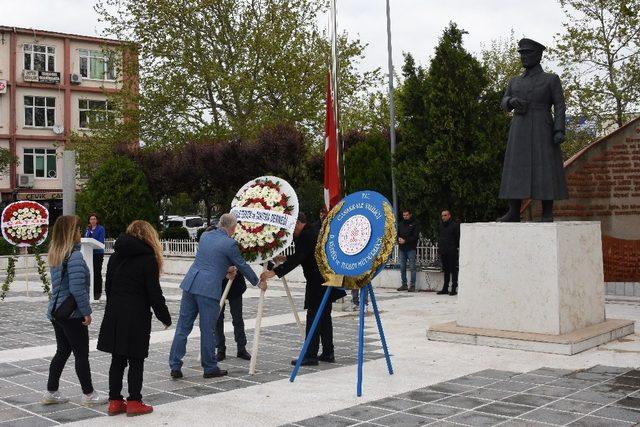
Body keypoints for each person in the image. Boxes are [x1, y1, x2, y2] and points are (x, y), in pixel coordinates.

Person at [168, 213, 267, 379]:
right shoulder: (230, 244)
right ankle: (209, 367)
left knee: (182, 328)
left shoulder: (205, 236)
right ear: (232, 228)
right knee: (208, 330)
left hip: (191, 283)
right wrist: (258, 283)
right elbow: (242, 266)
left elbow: (210, 259)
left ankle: (175, 366)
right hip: (208, 289)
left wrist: (225, 270)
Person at [97, 220, 172, 417]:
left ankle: (114, 401)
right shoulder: (148, 258)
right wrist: (164, 317)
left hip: (115, 312)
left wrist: (114, 305)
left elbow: (109, 285)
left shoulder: (115, 256)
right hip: (137, 314)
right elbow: (153, 292)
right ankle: (134, 401)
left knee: (118, 358)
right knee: (136, 359)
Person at [498, 38, 568, 223]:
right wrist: (511, 102)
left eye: (527, 53)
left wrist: (559, 129)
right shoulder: (514, 81)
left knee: (545, 167)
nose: (524, 57)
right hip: (519, 127)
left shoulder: (550, 79)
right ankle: (514, 211)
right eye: (521, 53)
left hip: (542, 126)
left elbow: (560, 105)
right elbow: (504, 101)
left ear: (538, 56)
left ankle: (547, 211)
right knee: (516, 168)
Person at [262, 212, 346, 366]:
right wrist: (282, 260)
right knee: (324, 318)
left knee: (313, 317)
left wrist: (275, 271)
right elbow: (302, 255)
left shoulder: (307, 235)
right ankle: (328, 352)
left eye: (292, 227)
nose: (291, 232)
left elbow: (299, 257)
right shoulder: (311, 231)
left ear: (299, 223)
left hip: (318, 282)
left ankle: (310, 355)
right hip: (326, 279)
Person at [42, 215, 107, 407]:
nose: (81, 232)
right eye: (78, 229)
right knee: (81, 354)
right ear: (71, 233)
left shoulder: (56, 254)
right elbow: (77, 289)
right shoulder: (75, 256)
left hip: (57, 311)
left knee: (62, 351)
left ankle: (51, 391)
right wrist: (86, 312)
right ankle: (88, 394)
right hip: (71, 314)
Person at [216, 274, 251, 361]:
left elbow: (245, 262)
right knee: (218, 319)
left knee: (238, 318)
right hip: (218, 285)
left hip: (236, 285)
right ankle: (220, 349)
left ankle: (241, 348)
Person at [437, 210, 460, 296]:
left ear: (449, 216)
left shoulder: (454, 225)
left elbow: (457, 238)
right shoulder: (440, 225)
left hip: (452, 251)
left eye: (445, 215)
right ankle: (445, 288)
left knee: (453, 270)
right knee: (446, 270)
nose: (443, 217)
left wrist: (454, 247)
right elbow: (439, 237)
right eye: (442, 215)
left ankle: (454, 288)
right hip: (443, 251)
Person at [396, 209, 419, 292]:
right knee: (402, 267)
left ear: (410, 215)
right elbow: (397, 234)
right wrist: (398, 239)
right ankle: (404, 285)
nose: (405, 216)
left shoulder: (414, 224)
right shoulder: (401, 224)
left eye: (406, 215)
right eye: (404, 215)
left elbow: (415, 237)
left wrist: (405, 240)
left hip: (411, 249)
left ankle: (412, 286)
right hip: (402, 249)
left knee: (412, 268)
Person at [84, 213, 106, 300]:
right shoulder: (88, 229)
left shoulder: (101, 229)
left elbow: (100, 241)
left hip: (98, 253)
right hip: (89, 253)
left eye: (94, 219)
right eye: (91, 219)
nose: (92, 220)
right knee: (89, 272)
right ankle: (90, 290)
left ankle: (97, 292)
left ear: (97, 220)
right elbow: (86, 238)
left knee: (97, 272)